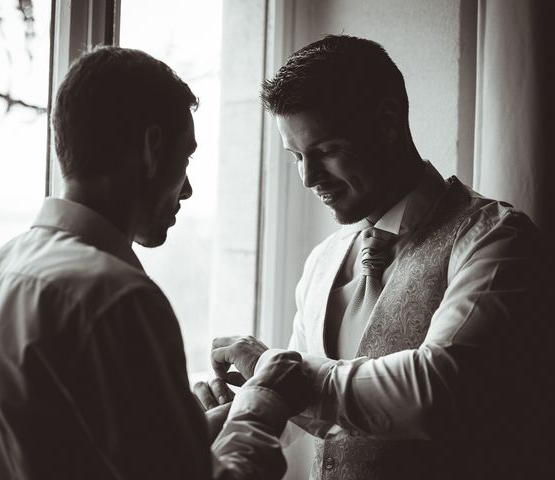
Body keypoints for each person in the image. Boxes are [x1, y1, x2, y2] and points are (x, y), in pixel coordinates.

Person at [0, 46, 312, 480]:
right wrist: (263, 400)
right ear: (152, 149)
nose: (186, 191)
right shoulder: (116, 298)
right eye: (185, 159)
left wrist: (207, 426)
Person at [195, 35, 551, 479]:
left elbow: (440, 388)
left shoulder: (496, 239)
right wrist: (238, 405)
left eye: (326, 151)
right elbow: (309, 407)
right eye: (296, 157)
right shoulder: (322, 262)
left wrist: (281, 371)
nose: (308, 178)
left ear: (387, 123)